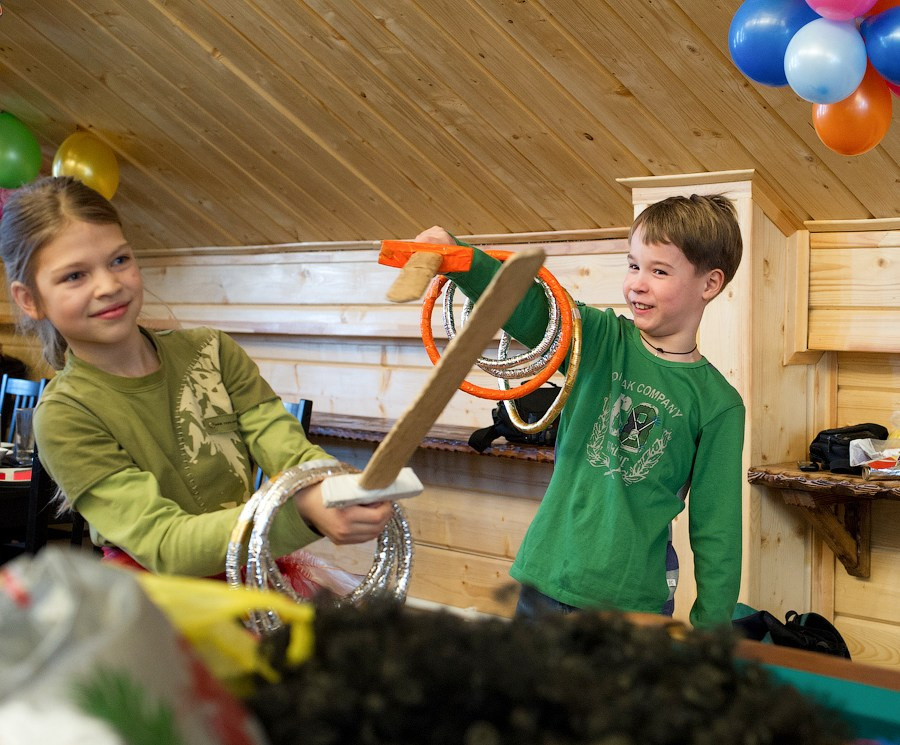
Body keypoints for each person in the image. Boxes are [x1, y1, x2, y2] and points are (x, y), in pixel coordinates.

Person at [0, 176, 394, 577]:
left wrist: (333, 486)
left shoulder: (213, 351)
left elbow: (290, 451)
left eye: (119, 260)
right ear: (30, 299)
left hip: (252, 572)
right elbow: (166, 544)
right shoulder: (66, 415)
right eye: (74, 276)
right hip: (160, 605)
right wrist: (303, 514)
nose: (109, 285)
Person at [412, 194, 745, 629]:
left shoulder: (719, 405)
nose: (638, 283)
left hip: (631, 606)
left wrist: (712, 637)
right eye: (633, 265)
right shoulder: (598, 337)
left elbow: (717, 534)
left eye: (659, 271)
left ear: (709, 284)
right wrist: (461, 257)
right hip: (545, 579)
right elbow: (529, 307)